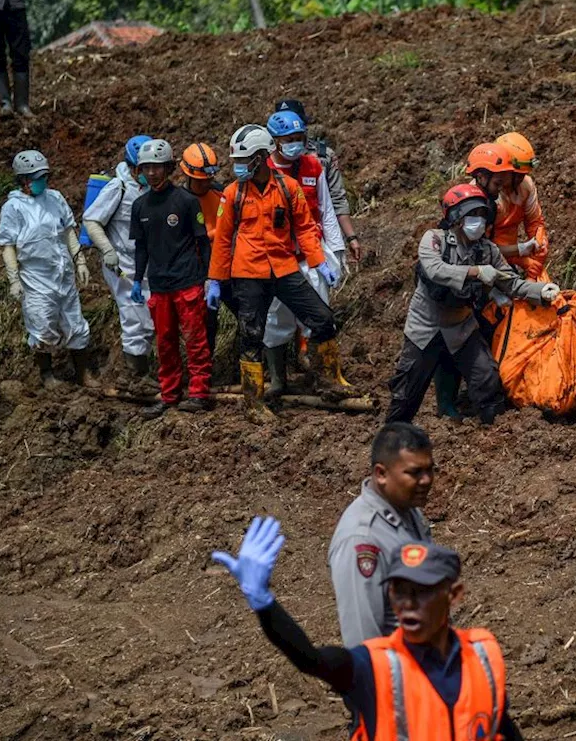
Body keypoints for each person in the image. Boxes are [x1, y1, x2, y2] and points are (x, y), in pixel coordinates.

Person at [214, 523, 523, 741]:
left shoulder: (484, 655)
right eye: (399, 592)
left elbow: (501, 728)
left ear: (453, 595)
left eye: (422, 592)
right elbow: (311, 659)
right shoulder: (374, 667)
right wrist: (263, 601)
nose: (408, 604)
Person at [385, 180, 558, 425]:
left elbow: (510, 283)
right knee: (406, 392)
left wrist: (541, 291)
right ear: (455, 217)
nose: (477, 220)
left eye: (481, 214)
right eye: (471, 214)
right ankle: (393, 436)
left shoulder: (488, 250)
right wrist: (475, 272)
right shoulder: (434, 240)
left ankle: (497, 429)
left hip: (461, 326)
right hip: (425, 327)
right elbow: (435, 270)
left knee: (486, 377)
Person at [207, 124, 347, 412]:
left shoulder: (287, 187)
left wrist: (320, 262)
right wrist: (216, 280)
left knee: (322, 318)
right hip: (248, 273)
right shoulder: (233, 194)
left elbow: (306, 229)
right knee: (251, 334)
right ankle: (254, 403)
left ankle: (329, 381)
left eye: (243, 161)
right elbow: (222, 240)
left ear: (259, 157)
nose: (238, 167)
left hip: (284, 268)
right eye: (236, 161)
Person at [0, 150, 98, 388]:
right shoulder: (13, 207)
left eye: (44, 177)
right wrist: (14, 280)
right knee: (42, 323)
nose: (42, 182)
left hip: (62, 271)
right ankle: (47, 375)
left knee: (75, 321)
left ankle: (83, 374)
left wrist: (80, 261)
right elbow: (8, 246)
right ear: (23, 180)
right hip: (36, 277)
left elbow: (68, 231)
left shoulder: (55, 199)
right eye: (36, 178)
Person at [262, 110, 347, 396]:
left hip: (312, 255)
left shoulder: (313, 166)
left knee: (320, 315)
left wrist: (335, 252)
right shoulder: (264, 171)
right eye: (289, 139)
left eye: (300, 138)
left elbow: (326, 210)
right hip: (278, 258)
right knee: (276, 319)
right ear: (275, 141)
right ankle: (277, 380)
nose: (295, 144)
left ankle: (326, 379)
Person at [329, 422, 435, 649]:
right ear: (381, 474)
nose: (426, 480)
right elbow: (363, 643)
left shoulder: (407, 510)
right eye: (415, 472)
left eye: (429, 470)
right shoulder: (362, 539)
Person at [430, 143, 516, 418]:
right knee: (447, 343)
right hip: (455, 279)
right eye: (498, 179)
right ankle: (447, 403)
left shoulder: (490, 202)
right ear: (481, 176)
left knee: (477, 334)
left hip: (478, 276)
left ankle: (476, 393)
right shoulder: (467, 200)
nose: (502, 185)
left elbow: (488, 245)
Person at [129, 139, 211, 417]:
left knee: (195, 340)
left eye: (157, 167)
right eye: (147, 168)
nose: (152, 173)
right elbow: (141, 247)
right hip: (159, 284)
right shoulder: (139, 206)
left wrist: (210, 278)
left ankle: (199, 392)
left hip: (188, 281)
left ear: (169, 168)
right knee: (164, 343)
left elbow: (203, 242)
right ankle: (169, 394)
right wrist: (138, 280)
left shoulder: (187, 201)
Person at [83, 136, 156, 389]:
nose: (149, 172)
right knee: (134, 317)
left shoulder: (151, 188)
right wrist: (107, 250)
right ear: (134, 167)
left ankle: (141, 370)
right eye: (144, 168)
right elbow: (92, 221)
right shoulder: (118, 187)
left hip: (147, 265)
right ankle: (136, 376)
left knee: (149, 318)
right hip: (122, 265)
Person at [274, 99, 363, 264]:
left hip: (316, 239)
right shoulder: (266, 164)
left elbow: (333, 201)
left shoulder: (321, 158)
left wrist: (349, 237)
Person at [178, 142, 236, 354]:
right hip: (197, 271)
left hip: (224, 266)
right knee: (205, 326)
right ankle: (205, 374)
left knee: (247, 314)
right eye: (202, 181)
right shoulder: (178, 201)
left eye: (209, 179)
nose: (207, 184)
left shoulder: (221, 194)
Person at [492, 132, 549, 280]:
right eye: (516, 175)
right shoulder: (484, 196)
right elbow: (481, 248)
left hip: (511, 253)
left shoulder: (525, 185)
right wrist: (520, 255)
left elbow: (534, 221)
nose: (520, 179)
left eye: (522, 175)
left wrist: (539, 242)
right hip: (487, 262)